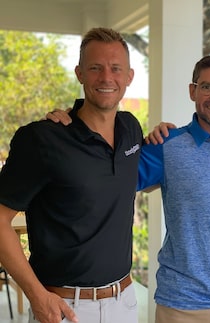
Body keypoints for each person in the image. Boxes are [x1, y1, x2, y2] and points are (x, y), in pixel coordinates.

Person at [47, 55, 210, 323]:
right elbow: (104, 174)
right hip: (181, 305)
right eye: (207, 87)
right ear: (192, 91)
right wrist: (71, 126)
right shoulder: (166, 145)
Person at [0, 27, 142, 323]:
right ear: (79, 73)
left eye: (116, 68)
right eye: (95, 68)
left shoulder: (131, 130)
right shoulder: (42, 139)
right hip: (64, 309)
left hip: (125, 303)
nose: (106, 78)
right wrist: (36, 294)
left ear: (129, 76)